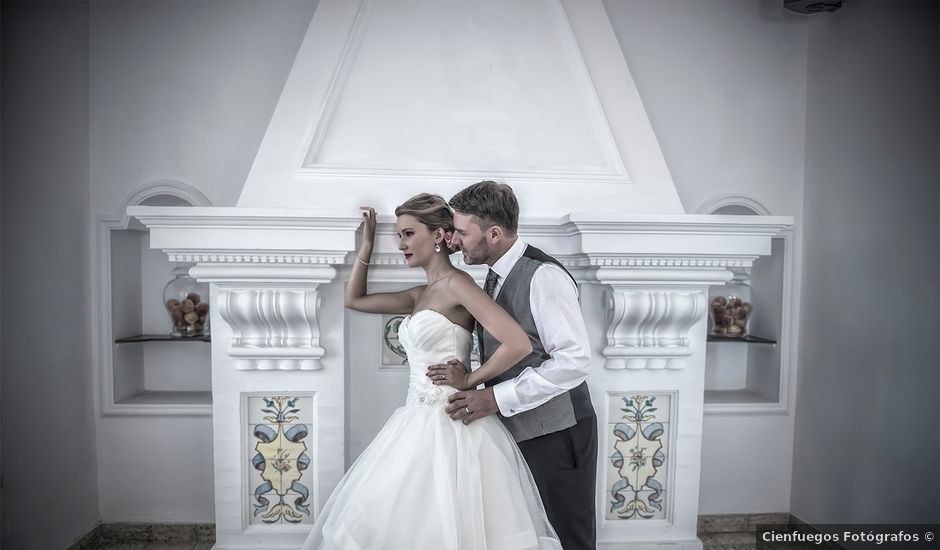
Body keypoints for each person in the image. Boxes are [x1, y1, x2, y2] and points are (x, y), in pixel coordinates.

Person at [301, 194, 561, 550]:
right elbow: (353, 300)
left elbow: (517, 342)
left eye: (409, 233)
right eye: (399, 236)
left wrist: (470, 379)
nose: (402, 243)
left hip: (454, 421)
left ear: (439, 235)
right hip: (413, 418)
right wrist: (367, 244)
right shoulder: (420, 294)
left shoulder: (459, 285)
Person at [433, 180, 597, 550]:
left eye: (461, 232)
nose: (455, 242)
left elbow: (573, 361)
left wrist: (494, 398)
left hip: (557, 431)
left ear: (493, 233)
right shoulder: (494, 275)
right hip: (518, 429)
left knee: (568, 537)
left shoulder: (544, 276)